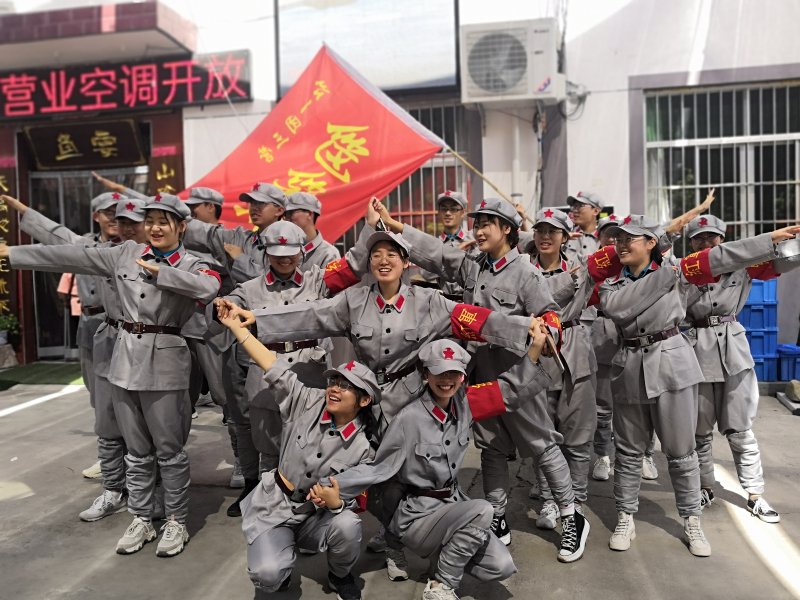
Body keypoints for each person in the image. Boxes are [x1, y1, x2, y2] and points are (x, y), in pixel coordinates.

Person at [222, 222, 544, 576]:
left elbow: (475, 319)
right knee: (376, 477)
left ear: (407, 262)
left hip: (412, 398)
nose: (384, 260)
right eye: (376, 254)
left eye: (393, 254)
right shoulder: (353, 300)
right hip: (367, 401)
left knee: (416, 471)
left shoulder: (429, 301)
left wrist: (523, 329)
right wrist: (257, 320)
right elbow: (311, 315)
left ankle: (420, 529)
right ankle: (392, 540)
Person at [2, 193, 221, 557]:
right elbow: (69, 255)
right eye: (150, 221)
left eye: (163, 221)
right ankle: (141, 517)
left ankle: (176, 520)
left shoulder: (196, 262)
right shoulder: (124, 253)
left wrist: (162, 272)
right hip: (123, 361)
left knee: (169, 450)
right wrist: (13, 254)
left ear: (182, 226)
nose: (154, 228)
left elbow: (208, 288)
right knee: (136, 451)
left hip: (166, 363)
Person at [370, 198, 582, 560]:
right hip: (479, 371)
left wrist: (548, 337)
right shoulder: (473, 265)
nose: (478, 230)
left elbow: (549, 314)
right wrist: (395, 225)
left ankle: (571, 515)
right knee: (491, 447)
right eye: (477, 223)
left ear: (507, 230)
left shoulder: (526, 272)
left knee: (542, 444)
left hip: (517, 373)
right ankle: (496, 516)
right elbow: (437, 253)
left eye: (487, 224)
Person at [590, 214, 800, 556]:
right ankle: (625, 516)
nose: (622, 244)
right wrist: (668, 275)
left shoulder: (679, 271)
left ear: (652, 243)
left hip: (673, 365)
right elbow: (618, 309)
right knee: (628, 452)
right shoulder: (615, 283)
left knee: (682, 450)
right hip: (630, 367)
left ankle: (691, 520)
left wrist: (769, 240)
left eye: (631, 238)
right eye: (619, 239)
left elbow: (724, 256)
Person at [309, 332, 553, 600]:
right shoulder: (408, 418)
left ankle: (441, 559)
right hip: (416, 516)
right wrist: (328, 486)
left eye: (453, 373)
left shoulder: (466, 404)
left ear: (463, 376)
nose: (446, 379)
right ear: (426, 374)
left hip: (451, 507)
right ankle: (441, 586)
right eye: (439, 372)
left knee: (500, 566)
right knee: (483, 509)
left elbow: (507, 389)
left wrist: (534, 351)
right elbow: (378, 468)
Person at [216, 299, 377, 600]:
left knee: (347, 523)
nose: (334, 388)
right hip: (275, 508)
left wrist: (335, 504)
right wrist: (238, 329)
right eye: (334, 381)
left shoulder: (365, 447)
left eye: (346, 386)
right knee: (267, 577)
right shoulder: (306, 401)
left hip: (317, 517)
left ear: (364, 400)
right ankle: (282, 557)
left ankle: (340, 575)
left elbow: (352, 494)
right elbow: (272, 364)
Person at [206, 219, 368, 518]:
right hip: (266, 378)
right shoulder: (249, 288)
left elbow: (354, 265)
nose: (284, 259)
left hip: (310, 377)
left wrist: (369, 227)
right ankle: (267, 509)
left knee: (312, 444)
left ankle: (308, 508)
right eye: (277, 253)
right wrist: (221, 309)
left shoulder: (318, 281)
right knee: (268, 449)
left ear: (302, 251)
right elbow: (224, 311)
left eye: (291, 252)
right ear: (266, 252)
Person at [2, 193, 145, 522]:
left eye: (126, 217)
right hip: (101, 331)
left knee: (142, 417)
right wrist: (22, 218)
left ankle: (144, 486)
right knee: (104, 410)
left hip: (142, 341)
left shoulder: (152, 253)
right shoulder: (92, 247)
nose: (117, 221)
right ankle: (113, 485)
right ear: (97, 216)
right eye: (112, 215)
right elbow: (56, 241)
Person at [684, 214, 795, 522]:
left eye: (711, 236)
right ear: (690, 243)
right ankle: (705, 487)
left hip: (733, 351)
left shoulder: (743, 264)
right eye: (698, 238)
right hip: (695, 351)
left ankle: (755, 495)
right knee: (699, 432)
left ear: (723, 238)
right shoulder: (685, 270)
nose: (705, 242)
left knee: (740, 429)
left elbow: (782, 262)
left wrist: (789, 242)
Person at [517, 209, 595, 541]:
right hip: (538, 350)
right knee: (543, 434)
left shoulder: (581, 267)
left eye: (553, 231)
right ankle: (550, 500)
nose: (545, 236)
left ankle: (576, 502)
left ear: (566, 236)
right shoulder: (522, 270)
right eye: (540, 230)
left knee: (578, 436)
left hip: (575, 350)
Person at [417, 191, 477, 299]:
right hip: (446, 302)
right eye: (444, 209)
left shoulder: (474, 239)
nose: (448, 213)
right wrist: (452, 253)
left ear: (463, 212)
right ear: (439, 212)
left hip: (473, 301)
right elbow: (425, 274)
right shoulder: (433, 244)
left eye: (453, 209)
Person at [284, 191, 341, 271]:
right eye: (284, 214)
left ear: (310, 214)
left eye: (290, 213)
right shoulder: (280, 248)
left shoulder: (328, 254)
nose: (285, 218)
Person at [564, 191, 603, 261]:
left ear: (596, 211)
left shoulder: (604, 237)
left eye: (580, 206)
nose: (575, 211)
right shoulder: (567, 235)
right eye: (574, 207)